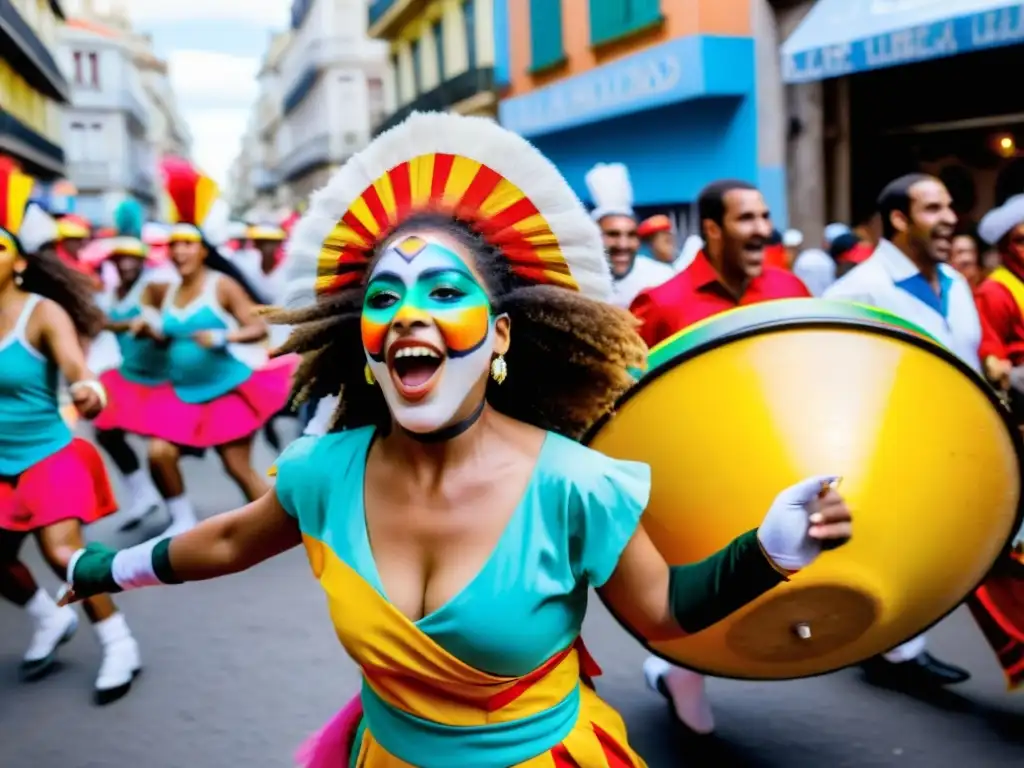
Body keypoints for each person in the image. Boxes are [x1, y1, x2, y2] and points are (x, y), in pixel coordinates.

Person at [59, 112, 853, 767]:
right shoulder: (321, 473)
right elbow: (230, 539)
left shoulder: (574, 483)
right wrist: (104, 566)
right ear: (364, 342)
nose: (409, 312)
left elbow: (663, 612)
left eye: (444, 291)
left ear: (501, 336)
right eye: (385, 296)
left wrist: (770, 551)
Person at [630, 179, 812, 734]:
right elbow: (629, 396)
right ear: (711, 229)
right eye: (746, 219)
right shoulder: (661, 302)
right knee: (697, 583)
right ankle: (677, 670)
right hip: (695, 476)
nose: (762, 229)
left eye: (764, 216)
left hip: (778, 461)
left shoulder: (792, 288)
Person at [824, 173, 977, 689]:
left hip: (961, 450)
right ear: (899, 220)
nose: (950, 218)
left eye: (950, 207)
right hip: (890, 456)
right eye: (934, 208)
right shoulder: (857, 290)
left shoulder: (956, 285)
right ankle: (894, 651)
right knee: (898, 554)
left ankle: (888, 645)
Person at [0, 171, 141, 703]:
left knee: (62, 552)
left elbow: (77, 369)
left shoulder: (43, 311)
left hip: (47, 452)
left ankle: (118, 641)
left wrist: (88, 391)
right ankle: (48, 620)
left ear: (18, 262)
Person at [126, 158, 296, 536]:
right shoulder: (161, 288)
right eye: (174, 245)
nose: (180, 251)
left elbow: (255, 326)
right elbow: (151, 320)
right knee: (159, 454)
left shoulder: (222, 285)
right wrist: (147, 327)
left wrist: (222, 337)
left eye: (188, 244)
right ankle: (182, 519)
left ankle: (283, 526)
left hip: (224, 389)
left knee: (237, 468)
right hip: (180, 392)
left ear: (202, 250)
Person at [91, 199, 174, 530]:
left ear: (142, 260)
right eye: (119, 258)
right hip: (130, 376)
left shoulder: (154, 286)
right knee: (105, 430)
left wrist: (152, 327)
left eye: (131, 258)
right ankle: (142, 493)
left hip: (162, 378)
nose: (125, 264)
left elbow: (168, 325)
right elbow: (101, 323)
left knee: (162, 451)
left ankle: (177, 511)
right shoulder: (109, 293)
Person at [585, 163, 674, 308]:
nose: (623, 244)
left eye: (631, 235)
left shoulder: (662, 279)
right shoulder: (578, 281)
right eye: (613, 234)